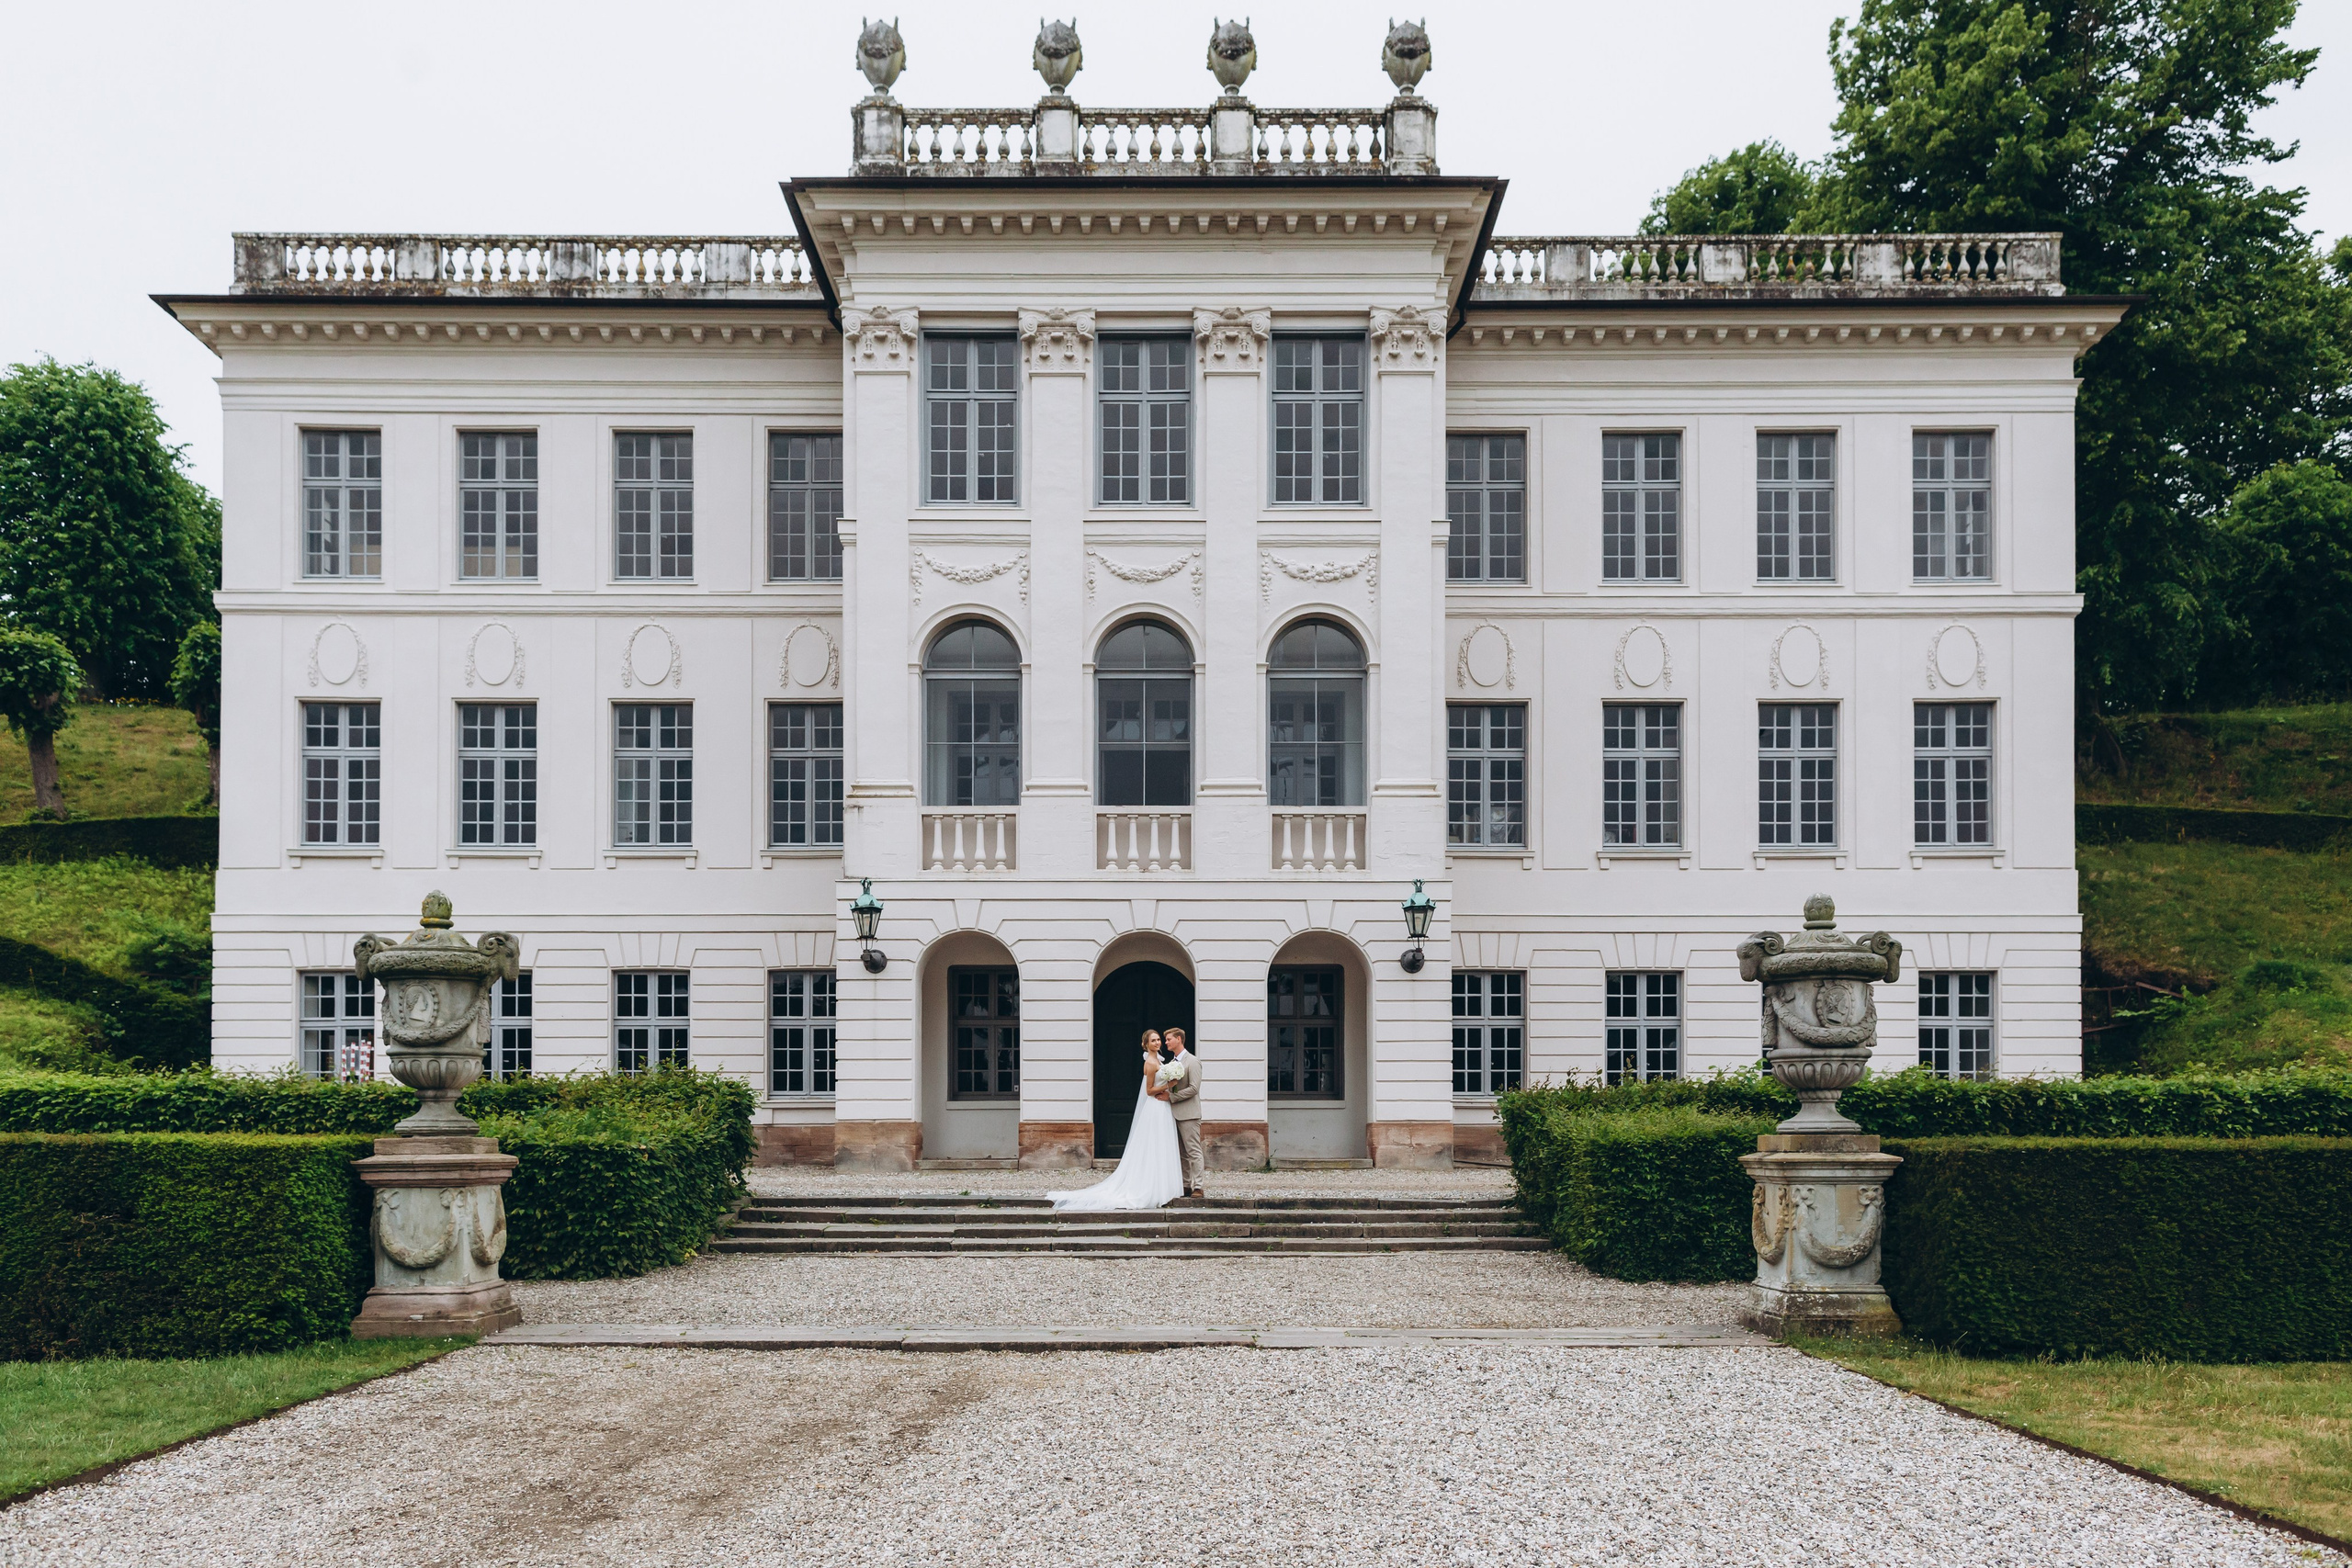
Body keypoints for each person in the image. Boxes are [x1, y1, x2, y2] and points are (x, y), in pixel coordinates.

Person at [1046, 1029, 1183, 1212]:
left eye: (1158, 1040)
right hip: (1155, 1107)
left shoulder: (1160, 1060)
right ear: (1146, 1044)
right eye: (1153, 1041)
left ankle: (1164, 1187)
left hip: (1163, 1106)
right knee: (1153, 1145)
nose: (1157, 1043)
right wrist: (1169, 1084)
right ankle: (1151, 1188)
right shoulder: (1150, 1063)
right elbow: (1149, 1091)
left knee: (1162, 1144)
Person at [1160, 1025, 1205, 1199]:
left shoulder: (1192, 1061)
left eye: (1168, 1039)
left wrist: (1171, 1097)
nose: (1166, 1043)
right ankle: (1186, 1185)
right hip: (1172, 1114)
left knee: (1193, 1151)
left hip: (1189, 1114)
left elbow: (1194, 1088)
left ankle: (1198, 1187)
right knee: (1181, 1153)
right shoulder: (1171, 1064)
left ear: (1178, 1039)